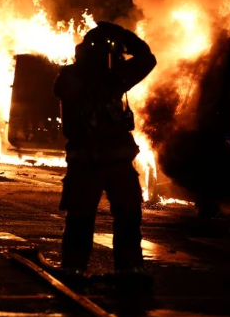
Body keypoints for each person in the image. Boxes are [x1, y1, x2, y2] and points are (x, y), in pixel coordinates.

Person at [53, 21, 156, 284]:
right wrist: (123, 36)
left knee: (115, 214)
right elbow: (145, 58)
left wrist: (118, 38)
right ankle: (79, 269)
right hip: (96, 159)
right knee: (98, 215)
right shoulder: (92, 77)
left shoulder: (105, 77)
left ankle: (108, 270)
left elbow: (147, 60)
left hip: (100, 160)